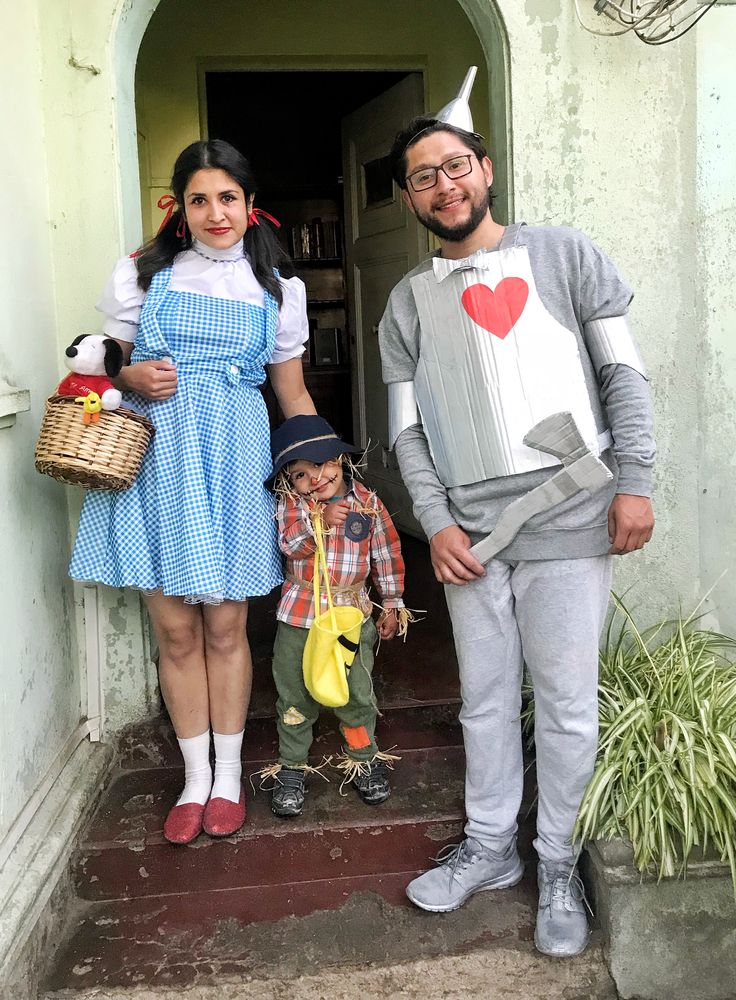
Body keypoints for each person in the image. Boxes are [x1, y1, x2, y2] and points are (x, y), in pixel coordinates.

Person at [378, 73, 655, 957]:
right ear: (410, 196)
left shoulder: (567, 256)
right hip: (471, 538)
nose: (444, 186)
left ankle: (559, 860)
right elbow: (408, 432)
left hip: (572, 519)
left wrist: (638, 479)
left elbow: (624, 378)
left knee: (569, 705)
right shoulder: (406, 305)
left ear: (486, 170)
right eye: (424, 177)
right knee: (486, 702)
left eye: (455, 167)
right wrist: (437, 523)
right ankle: (492, 848)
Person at [70, 139, 316, 845]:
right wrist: (129, 378)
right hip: (160, 460)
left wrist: (323, 472)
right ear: (180, 207)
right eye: (199, 199)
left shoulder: (276, 289)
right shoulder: (145, 274)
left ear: (249, 204)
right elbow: (101, 362)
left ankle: (231, 776)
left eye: (228, 198)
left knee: (226, 626)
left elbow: (291, 393)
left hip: (233, 460)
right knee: (175, 630)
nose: (215, 213)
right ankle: (194, 778)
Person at [261, 414, 409, 817]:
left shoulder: (368, 503)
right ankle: (292, 766)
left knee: (355, 691)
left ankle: (362, 755)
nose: (317, 477)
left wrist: (393, 603)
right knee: (294, 691)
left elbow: (386, 554)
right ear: (289, 481)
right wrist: (318, 524)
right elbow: (291, 546)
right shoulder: (294, 506)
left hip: (351, 615)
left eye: (323, 464)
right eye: (301, 474)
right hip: (300, 616)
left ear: (342, 460)